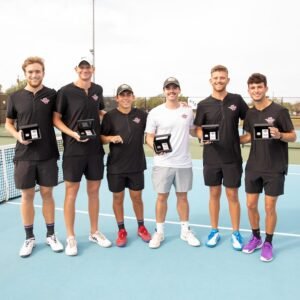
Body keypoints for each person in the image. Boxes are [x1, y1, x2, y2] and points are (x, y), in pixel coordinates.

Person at [5, 56, 63, 257]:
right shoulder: (15, 97)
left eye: (37, 71)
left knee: (48, 194)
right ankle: (29, 238)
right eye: (30, 72)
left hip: (47, 154)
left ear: (43, 72)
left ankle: (51, 235)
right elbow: (9, 123)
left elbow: (60, 118)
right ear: (25, 74)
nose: (34, 74)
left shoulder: (52, 95)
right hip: (24, 156)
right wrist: (18, 135)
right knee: (27, 196)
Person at [53, 56, 112, 256]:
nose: (85, 70)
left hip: (95, 150)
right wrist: (73, 134)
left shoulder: (98, 90)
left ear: (93, 69)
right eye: (82, 67)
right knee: (71, 192)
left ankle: (94, 232)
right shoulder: (65, 91)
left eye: (88, 67)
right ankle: (70, 237)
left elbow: (101, 112)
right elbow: (56, 119)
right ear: (76, 69)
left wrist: (118, 118)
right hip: (73, 150)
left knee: (94, 192)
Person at [241, 73, 296, 262]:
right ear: (249, 90)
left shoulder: (280, 111)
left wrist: (279, 134)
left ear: (265, 88)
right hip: (253, 166)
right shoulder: (249, 113)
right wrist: (232, 140)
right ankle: (255, 237)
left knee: (269, 207)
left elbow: (292, 136)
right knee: (250, 205)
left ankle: (268, 242)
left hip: (274, 167)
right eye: (252, 88)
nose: (256, 91)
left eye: (259, 87)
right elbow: (248, 136)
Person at [194, 65, 249, 250]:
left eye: (222, 77)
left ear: (228, 80)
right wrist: (202, 136)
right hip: (211, 158)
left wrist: (242, 138)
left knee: (232, 194)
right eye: (215, 78)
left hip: (232, 158)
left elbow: (251, 120)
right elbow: (197, 128)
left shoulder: (237, 100)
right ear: (211, 80)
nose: (219, 80)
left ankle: (236, 232)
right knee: (214, 194)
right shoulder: (203, 104)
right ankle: (214, 230)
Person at [145, 77, 200, 249]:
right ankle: (159, 231)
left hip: (183, 163)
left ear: (179, 90)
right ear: (164, 91)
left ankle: (185, 230)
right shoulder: (155, 112)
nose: (171, 91)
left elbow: (192, 130)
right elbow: (149, 136)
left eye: (174, 88)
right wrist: (155, 146)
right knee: (162, 197)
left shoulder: (188, 111)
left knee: (183, 197)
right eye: (168, 88)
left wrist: (204, 136)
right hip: (163, 163)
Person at [100, 84, 151, 247]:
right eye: (122, 95)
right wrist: (110, 138)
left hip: (136, 165)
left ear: (133, 97)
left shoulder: (142, 115)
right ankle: (121, 229)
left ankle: (141, 227)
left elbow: (155, 126)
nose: (126, 98)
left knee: (137, 198)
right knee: (118, 198)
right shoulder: (109, 116)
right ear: (117, 98)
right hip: (116, 167)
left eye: (129, 94)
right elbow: (101, 137)